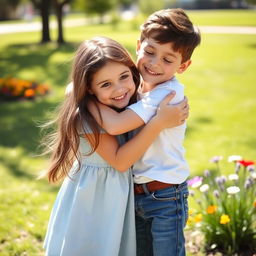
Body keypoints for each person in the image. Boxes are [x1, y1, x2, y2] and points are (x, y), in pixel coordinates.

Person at [42, 36, 189, 256]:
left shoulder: (129, 104)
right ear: (89, 89)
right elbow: (121, 161)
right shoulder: (86, 117)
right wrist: (159, 122)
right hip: (92, 202)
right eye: (105, 84)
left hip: (119, 199)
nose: (119, 89)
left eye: (124, 77)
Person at [89, 8, 201, 256]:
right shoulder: (135, 85)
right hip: (137, 194)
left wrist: (85, 100)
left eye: (167, 59)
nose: (154, 63)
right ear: (138, 45)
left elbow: (116, 125)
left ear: (183, 66)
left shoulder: (167, 94)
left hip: (166, 196)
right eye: (150, 52)